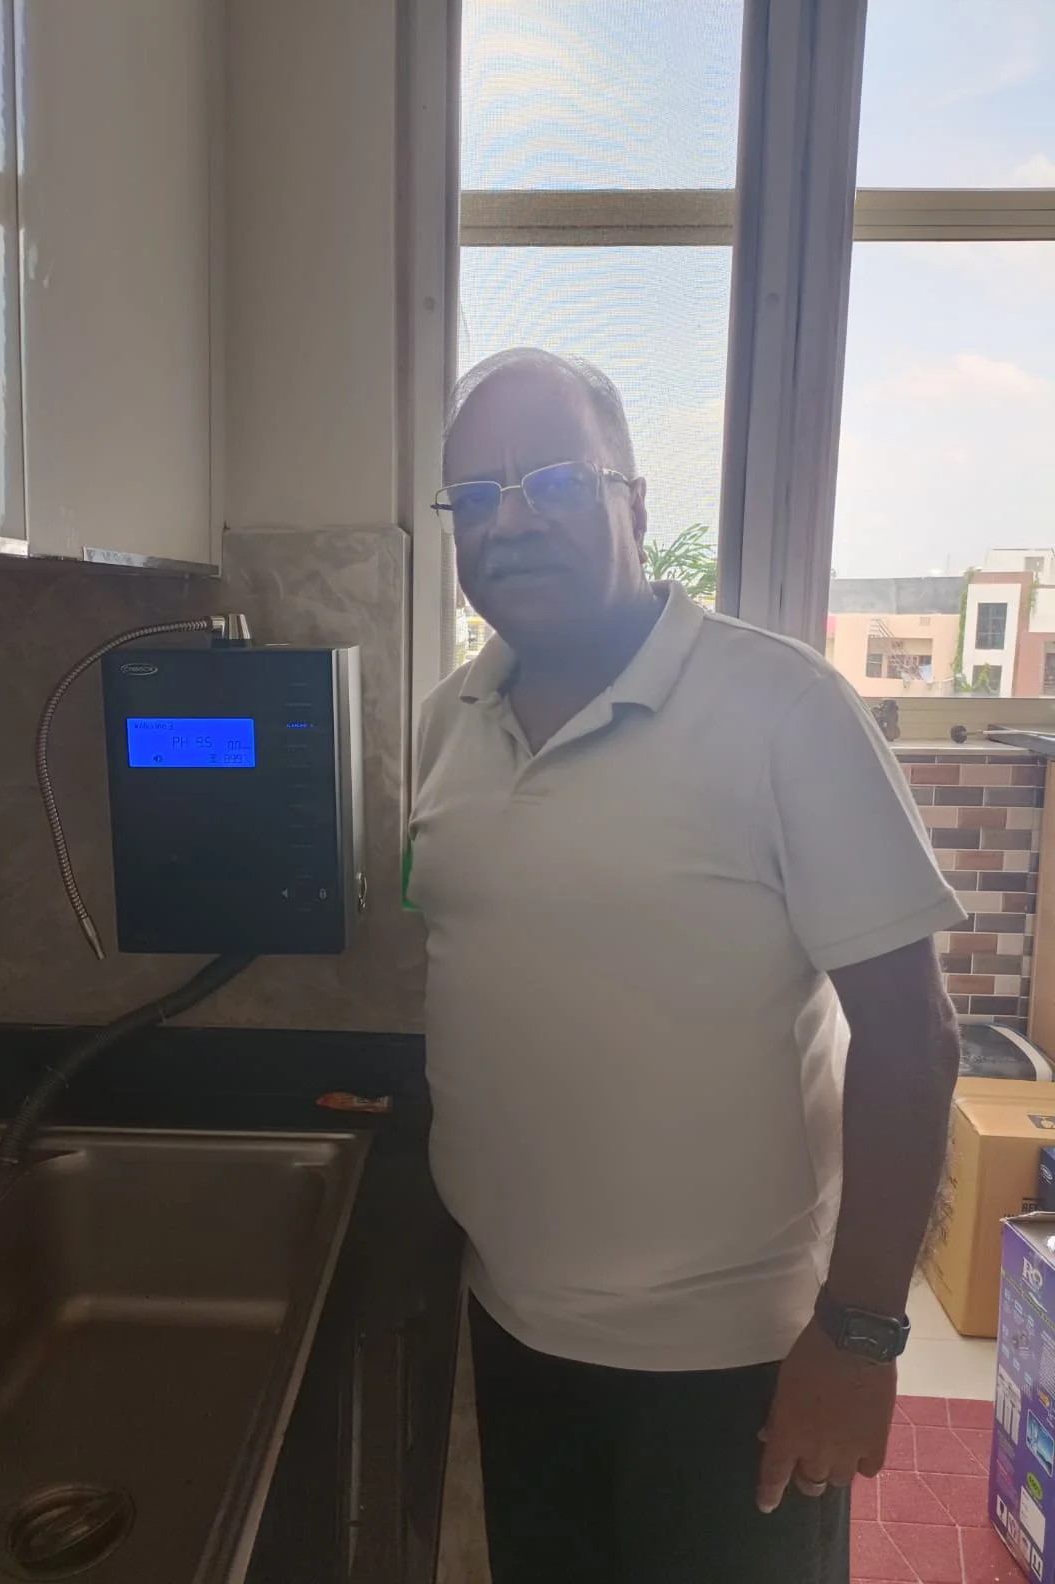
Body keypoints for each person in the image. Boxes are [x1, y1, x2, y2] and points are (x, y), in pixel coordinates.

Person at [407, 348, 963, 1583]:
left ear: (636, 501)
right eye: (476, 495)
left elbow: (914, 1042)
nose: (512, 518)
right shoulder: (448, 721)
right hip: (511, 1331)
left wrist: (861, 1336)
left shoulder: (786, 712)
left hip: (738, 1369)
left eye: (552, 478)